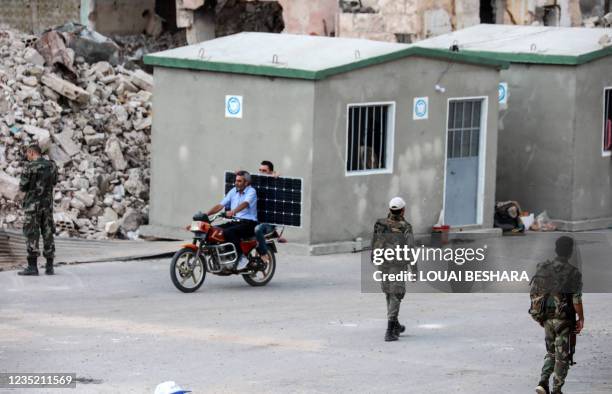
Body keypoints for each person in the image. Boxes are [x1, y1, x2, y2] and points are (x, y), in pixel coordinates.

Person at [532, 236, 584, 394]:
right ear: (570, 252)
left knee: (551, 352)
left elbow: (537, 291)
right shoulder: (573, 273)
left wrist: (539, 315)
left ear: (556, 249)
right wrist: (581, 318)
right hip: (564, 319)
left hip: (546, 316)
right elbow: (576, 300)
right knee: (562, 356)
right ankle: (556, 389)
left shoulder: (544, 267)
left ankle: (543, 382)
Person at [371, 197, 414, 342]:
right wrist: (414, 268)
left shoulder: (380, 223)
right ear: (403, 210)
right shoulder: (405, 226)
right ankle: (390, 330)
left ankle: (395, 324)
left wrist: (374, 257)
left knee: (389, 293)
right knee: (396, 294)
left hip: (382, 262)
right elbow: (410, 248)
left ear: (390, 209)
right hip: (397, 264)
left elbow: (374, 241)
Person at [18, 143, 58, 276]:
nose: (27, 157)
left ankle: (32, 267)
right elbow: (54, 182)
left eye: (27, 154)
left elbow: (23, 186)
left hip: (32, 207)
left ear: (31, 153)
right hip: (47, 206)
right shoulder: (52, 166)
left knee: (32, 234)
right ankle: (50, 266)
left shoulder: (29, 167)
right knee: (48, 233)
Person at [207, 170, 257, 271]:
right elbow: (220, 205)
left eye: (239, 181)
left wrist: (233, 211)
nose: (236, 183)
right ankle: (224, 256)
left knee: (228, 232)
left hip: (249, 223)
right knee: (214, 230)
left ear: (246, 182)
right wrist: (206, 214)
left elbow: (246, 204)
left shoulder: (251, 191)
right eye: (236, 181)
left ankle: (241, 257)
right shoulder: (233, 191)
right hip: (235, 222)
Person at [254, 160, 278, 264]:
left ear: (271, 172)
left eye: (264, 170)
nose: (261, 172)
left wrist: (276, 178)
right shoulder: (256, 185)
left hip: (268, 223)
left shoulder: (276, 185)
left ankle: (263, 253)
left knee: (258, 229)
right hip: (255, 219)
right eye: (260, 170)